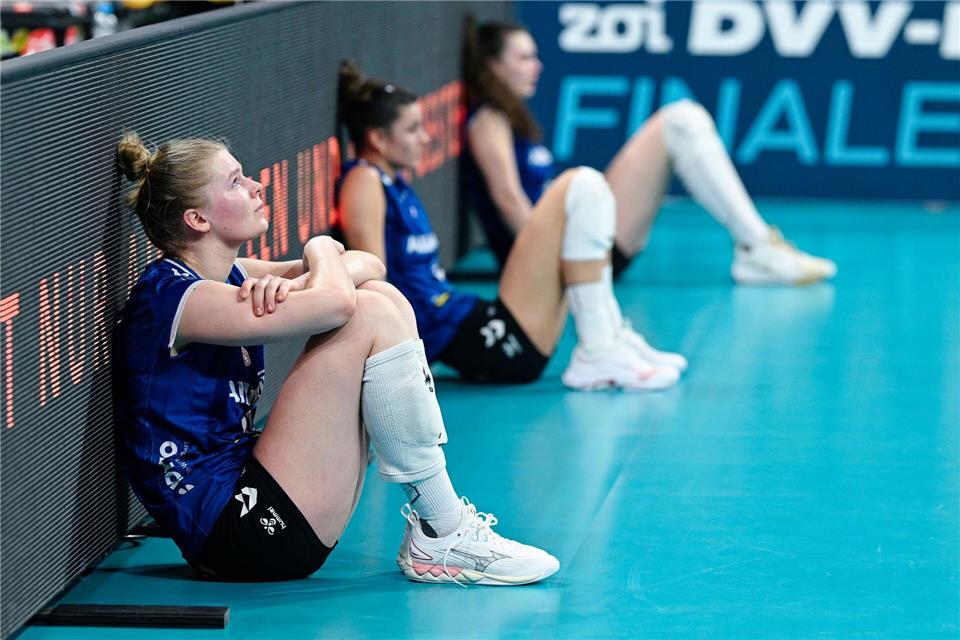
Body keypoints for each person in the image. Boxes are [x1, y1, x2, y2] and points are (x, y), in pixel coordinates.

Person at [113, 132, 558, 586]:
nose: (255, 186)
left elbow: (372, 266)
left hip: (250, 495)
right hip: (239, 533)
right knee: (366, 310)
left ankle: (441, 526)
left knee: (380, 296)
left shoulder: (233, 275)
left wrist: (318, 275)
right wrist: (322, 248)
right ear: (198, 219)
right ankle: (442, 529)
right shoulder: (179, 297)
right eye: (234, 182)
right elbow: (338, 303)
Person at [336, 61, 687, 392]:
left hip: (479, 324)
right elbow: (372, 280)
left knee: (585, 187)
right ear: (378, 140)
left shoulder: (394, 183)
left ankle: (607, 337)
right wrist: (400, 365)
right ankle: (599, 349)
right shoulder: (365, 180)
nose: (425, 138)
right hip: (482, 344)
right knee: (580, 185)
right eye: (412, 130)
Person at [461, 18, 837, 286]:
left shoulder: (511, 116)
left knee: (684, 120)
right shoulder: (488, 122)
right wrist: (555, 264)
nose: (537, 67)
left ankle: (757, 245)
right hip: (565, 251)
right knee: (680, 120)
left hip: (578, 236)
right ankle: (758, 248)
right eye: (524, 58)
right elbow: (508, 200)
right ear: (494, 66)